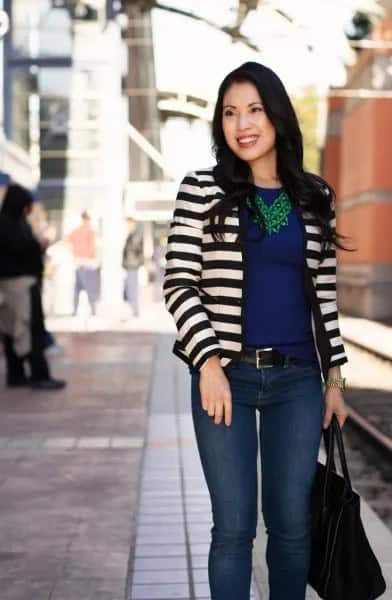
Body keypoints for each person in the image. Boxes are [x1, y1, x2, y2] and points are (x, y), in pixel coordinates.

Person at [163, 62, 352, 600]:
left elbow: (324, 298)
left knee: (292, 527)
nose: (241, 123)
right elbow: (179, 283)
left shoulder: (315, 198)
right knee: (234, 529)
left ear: (276, 116)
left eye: (254, 110)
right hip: (228, 381)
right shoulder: (201, 189)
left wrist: (334, 380)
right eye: (229, 112)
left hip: (297, 380)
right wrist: (208, 365)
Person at [0, 184, 66, 390]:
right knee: (28, 329)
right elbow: (22, 248)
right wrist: (39, 245)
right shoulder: (10, 226)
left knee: (13, 330)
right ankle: (39, 375)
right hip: (20, 286)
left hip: (15, 285)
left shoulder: (14, 223)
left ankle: (17, 373)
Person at [66, 211, 99, 316]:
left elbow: (66, 240)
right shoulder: (90, 231)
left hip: (78, 262)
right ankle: (93, 310)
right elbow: (92, 248)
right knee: (90, 287)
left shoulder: (77, 231)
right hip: (87, 262)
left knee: (78, 288)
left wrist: (74, 252)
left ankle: (75, 311)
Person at [122, 217, 143, 317]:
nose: (128, 226)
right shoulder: (131, 235)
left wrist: (137, 263)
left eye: (129, 224)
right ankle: (134, 310)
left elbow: (136, 250)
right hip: (130, 265)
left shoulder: (135, 235)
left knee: (132, 289)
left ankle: (135, 311)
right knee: (129, 288)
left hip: (132, 265)